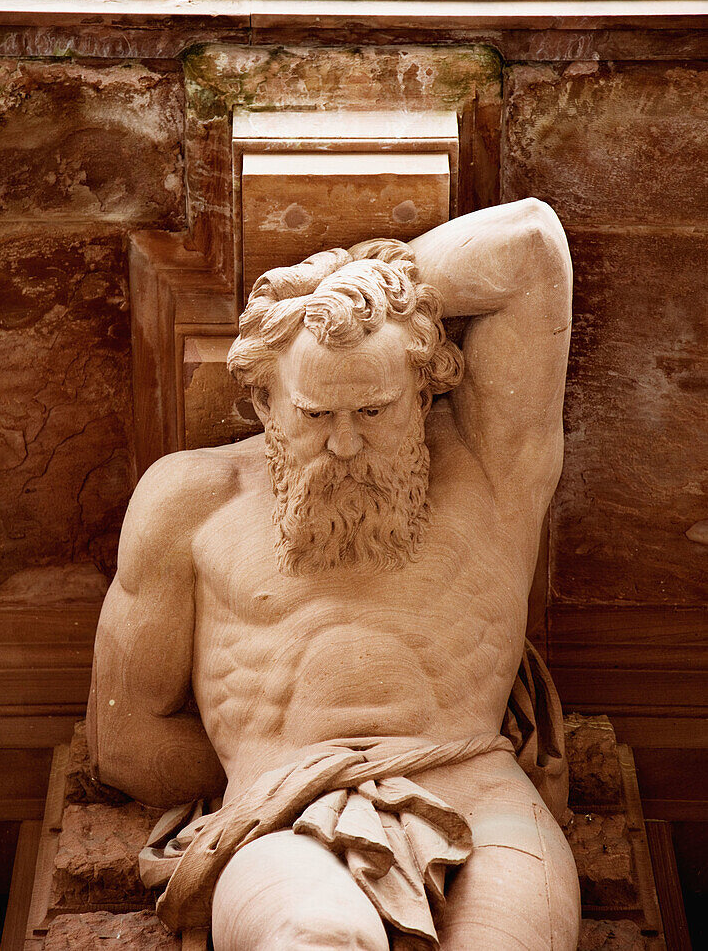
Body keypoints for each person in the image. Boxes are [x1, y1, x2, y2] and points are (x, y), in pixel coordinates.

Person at [87, 197, 581, 950]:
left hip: (480, 795)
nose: (345, 445)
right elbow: (121, 736)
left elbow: (530, 246)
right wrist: (275, 767)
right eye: (316, 416)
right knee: (316, 936)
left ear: (423, 393)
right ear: (262, 401)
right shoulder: (189, 502)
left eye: (376, 411)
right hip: (282, 813)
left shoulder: (489, 473)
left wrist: (365, 290)